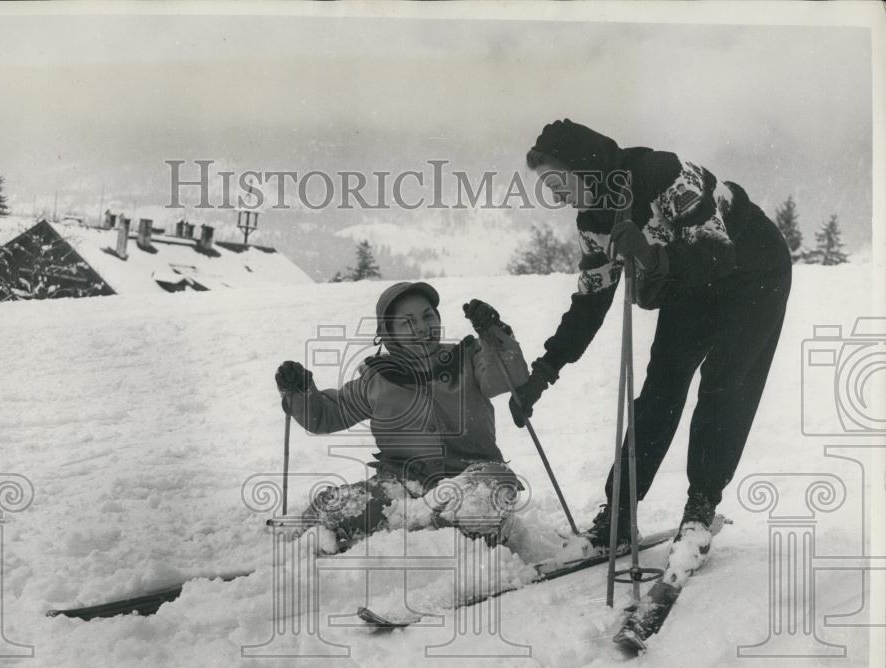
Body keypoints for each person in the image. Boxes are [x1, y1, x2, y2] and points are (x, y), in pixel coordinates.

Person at [511, 119, 792, 578]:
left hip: (751, 270)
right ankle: (618, 515)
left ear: (585, 167)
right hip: (689, 284)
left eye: (558, 181)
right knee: (661, 387)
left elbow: (716, 253)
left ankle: (699, 512)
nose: (555, 195)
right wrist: (545, 370)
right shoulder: (593, 222)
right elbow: (590, 301)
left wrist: (648, 254)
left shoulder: (659, 174)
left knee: (725, 383)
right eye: (547, 187)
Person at [274, 282, 576, 563]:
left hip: (470, 475)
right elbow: (326, 414)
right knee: (338, 503)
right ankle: (316, 535)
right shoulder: (377, 378)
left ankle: (427, 532)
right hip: (401, 484)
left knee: (495, 482)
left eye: (428, 316)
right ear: (388, 333)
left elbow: (507, 377)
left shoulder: (467, 358)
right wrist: (300, 392)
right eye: (407, 322)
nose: (421, 327)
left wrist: (493, 334)